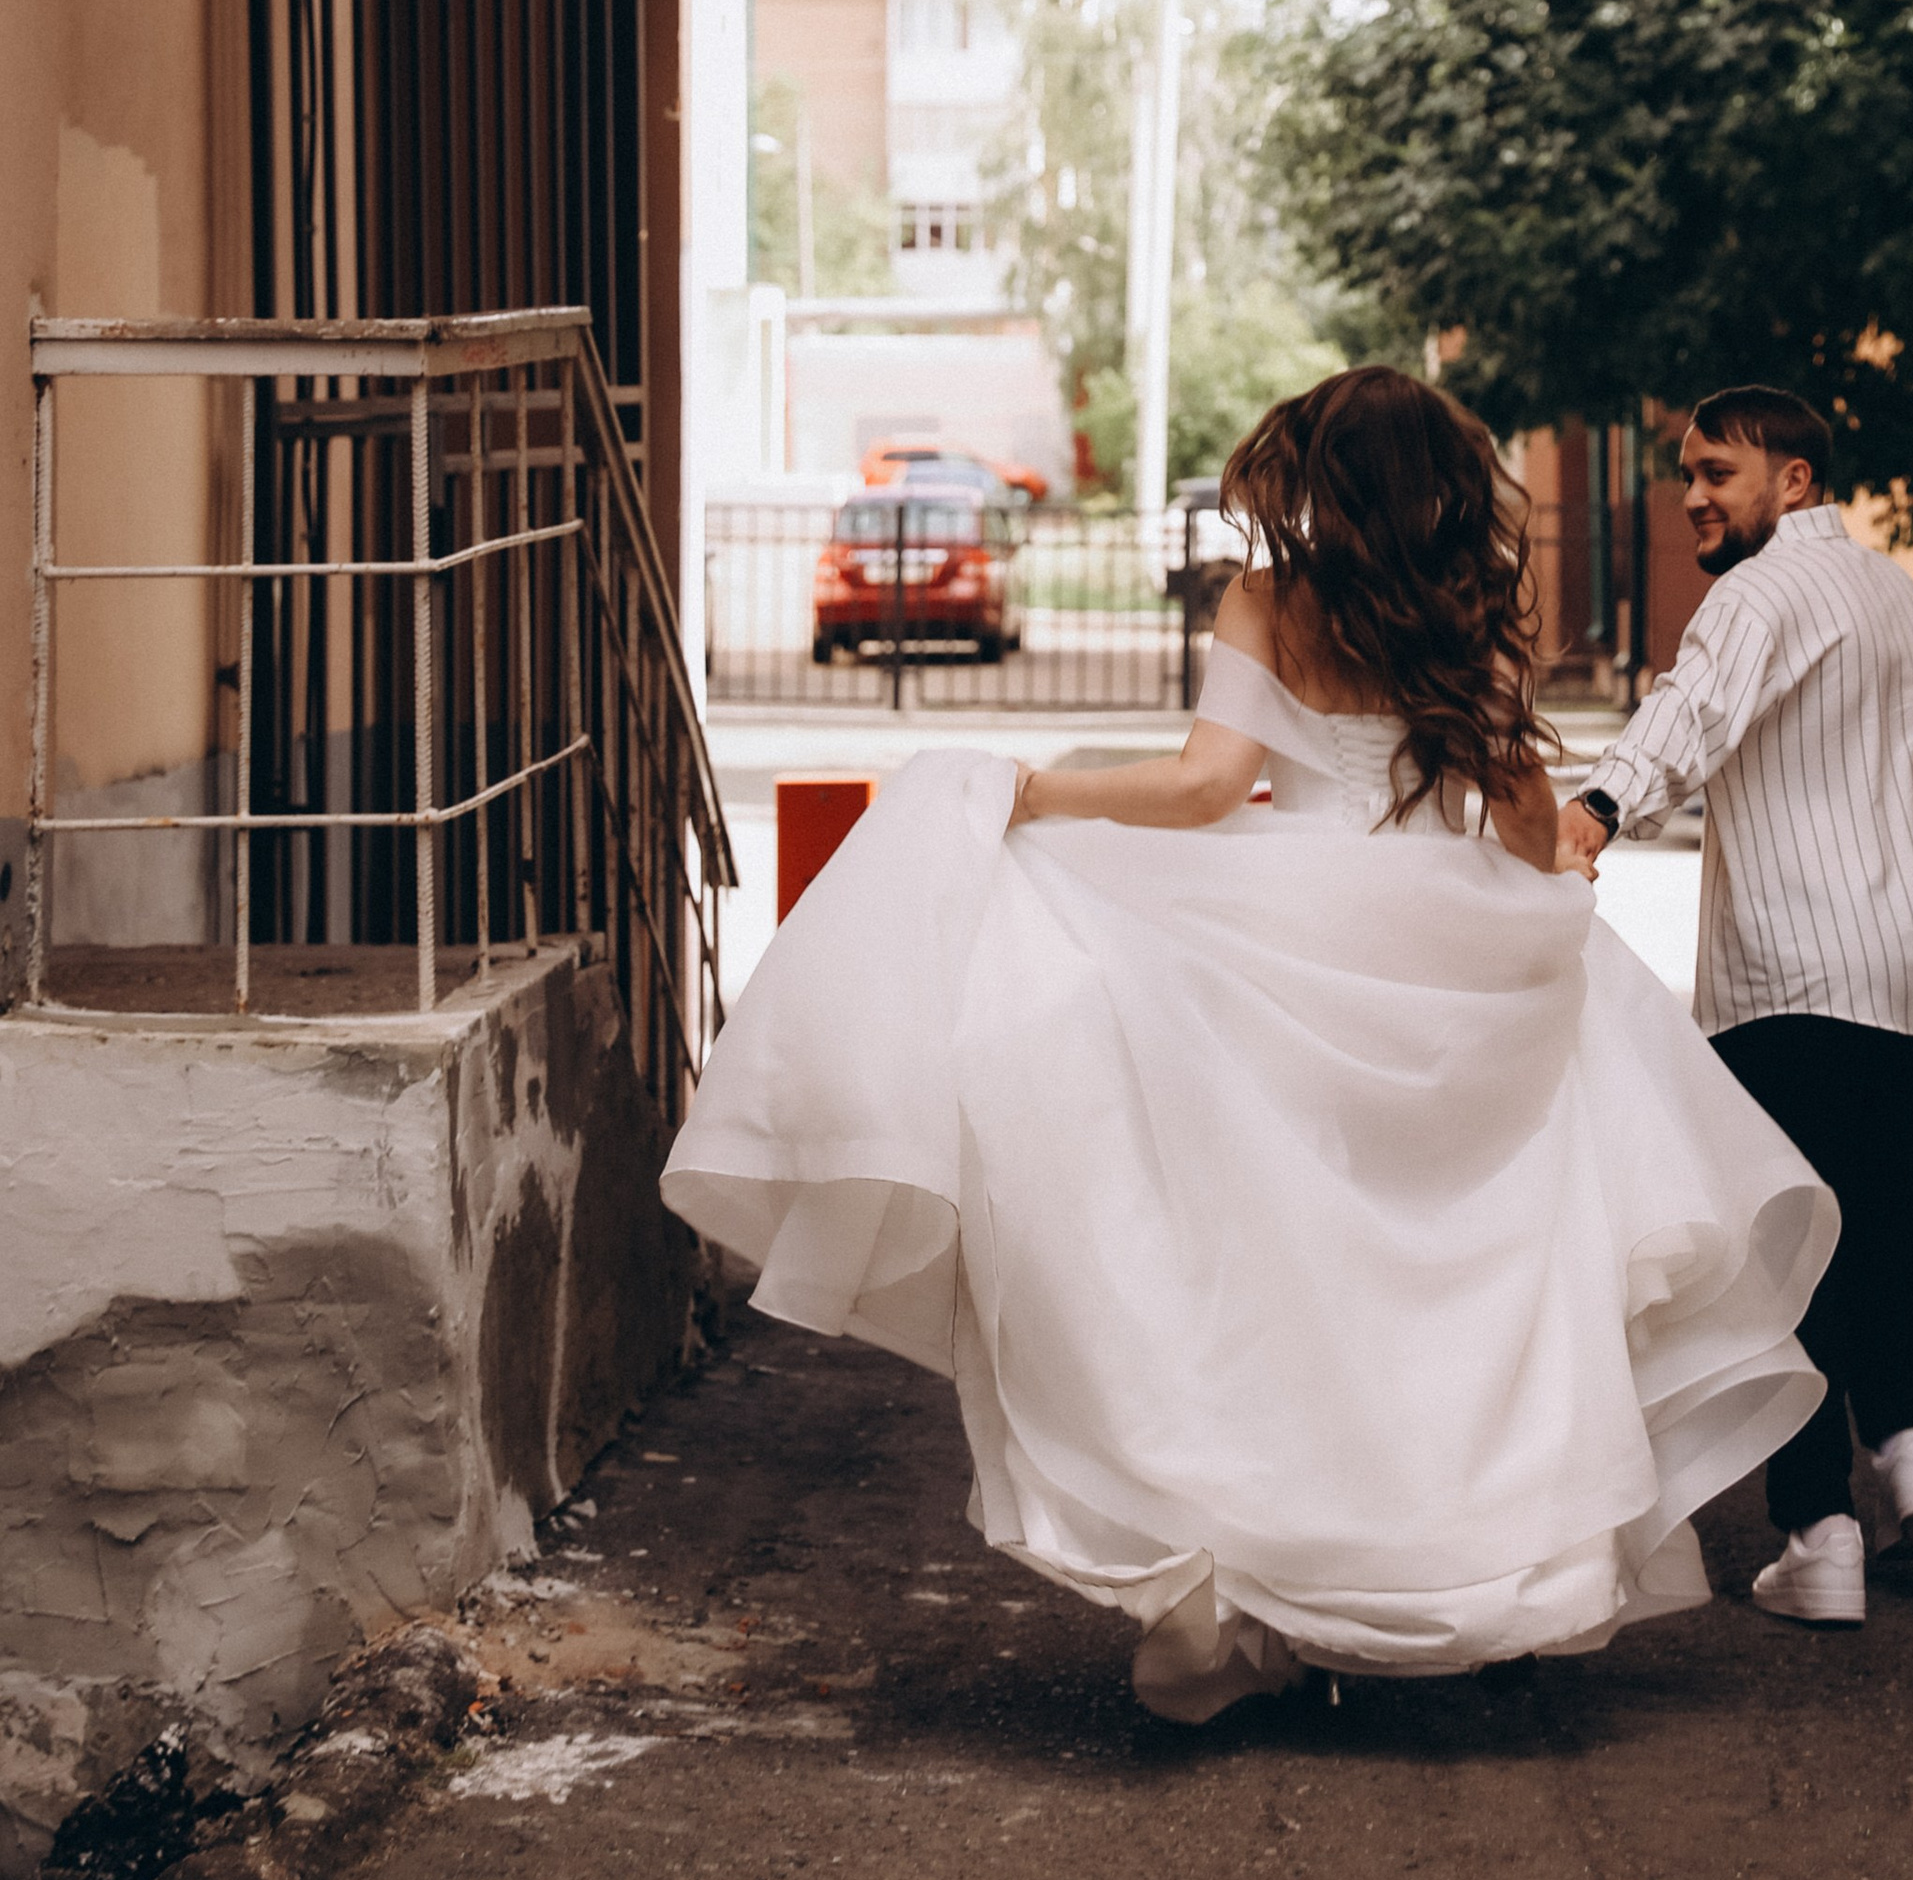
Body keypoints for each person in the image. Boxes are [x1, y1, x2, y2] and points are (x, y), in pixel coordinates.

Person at [664, 366, 1837, 1721]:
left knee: (1290, 1265)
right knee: (1478, 1273)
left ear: (1318, 481)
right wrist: (1556, 856)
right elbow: (1520, 821)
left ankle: (1279, 1583)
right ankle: (1485, 1585)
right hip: (1448, 943)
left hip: (1287, 936)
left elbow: (1208, 787)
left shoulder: (1270, 599)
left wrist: (1026, 797)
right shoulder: (1471, 614)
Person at [1558, 386, 1913, 1632]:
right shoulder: (1895, 595)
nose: (1696, 497)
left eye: (1718, 471)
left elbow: (1689, 714)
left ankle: (1821, 1530)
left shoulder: (1756, 596)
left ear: (1797, 482)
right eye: (1687, 476)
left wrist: (1593, 813)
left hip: (1803, 977)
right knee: (1881, 1199)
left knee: (1793, 1244)